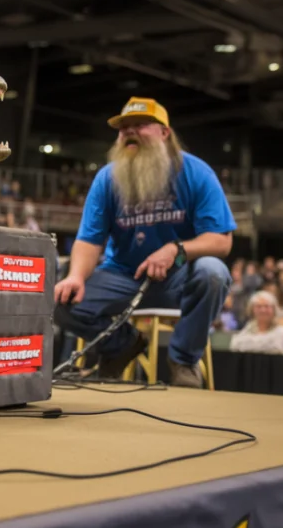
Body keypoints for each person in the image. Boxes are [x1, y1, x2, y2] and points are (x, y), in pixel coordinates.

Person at [54, 96, 234, 388]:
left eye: (140, 125)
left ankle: (183, 360)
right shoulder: (107, 179)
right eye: (124, 128)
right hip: (123, 276)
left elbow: (221, 242)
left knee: (213, 272)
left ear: (165, 132)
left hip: (179, 277)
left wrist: (176, 250)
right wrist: (75, 276)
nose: (129, 132)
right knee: (60, 299)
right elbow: (89, 240)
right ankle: (123, 344)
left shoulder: (196, 173)